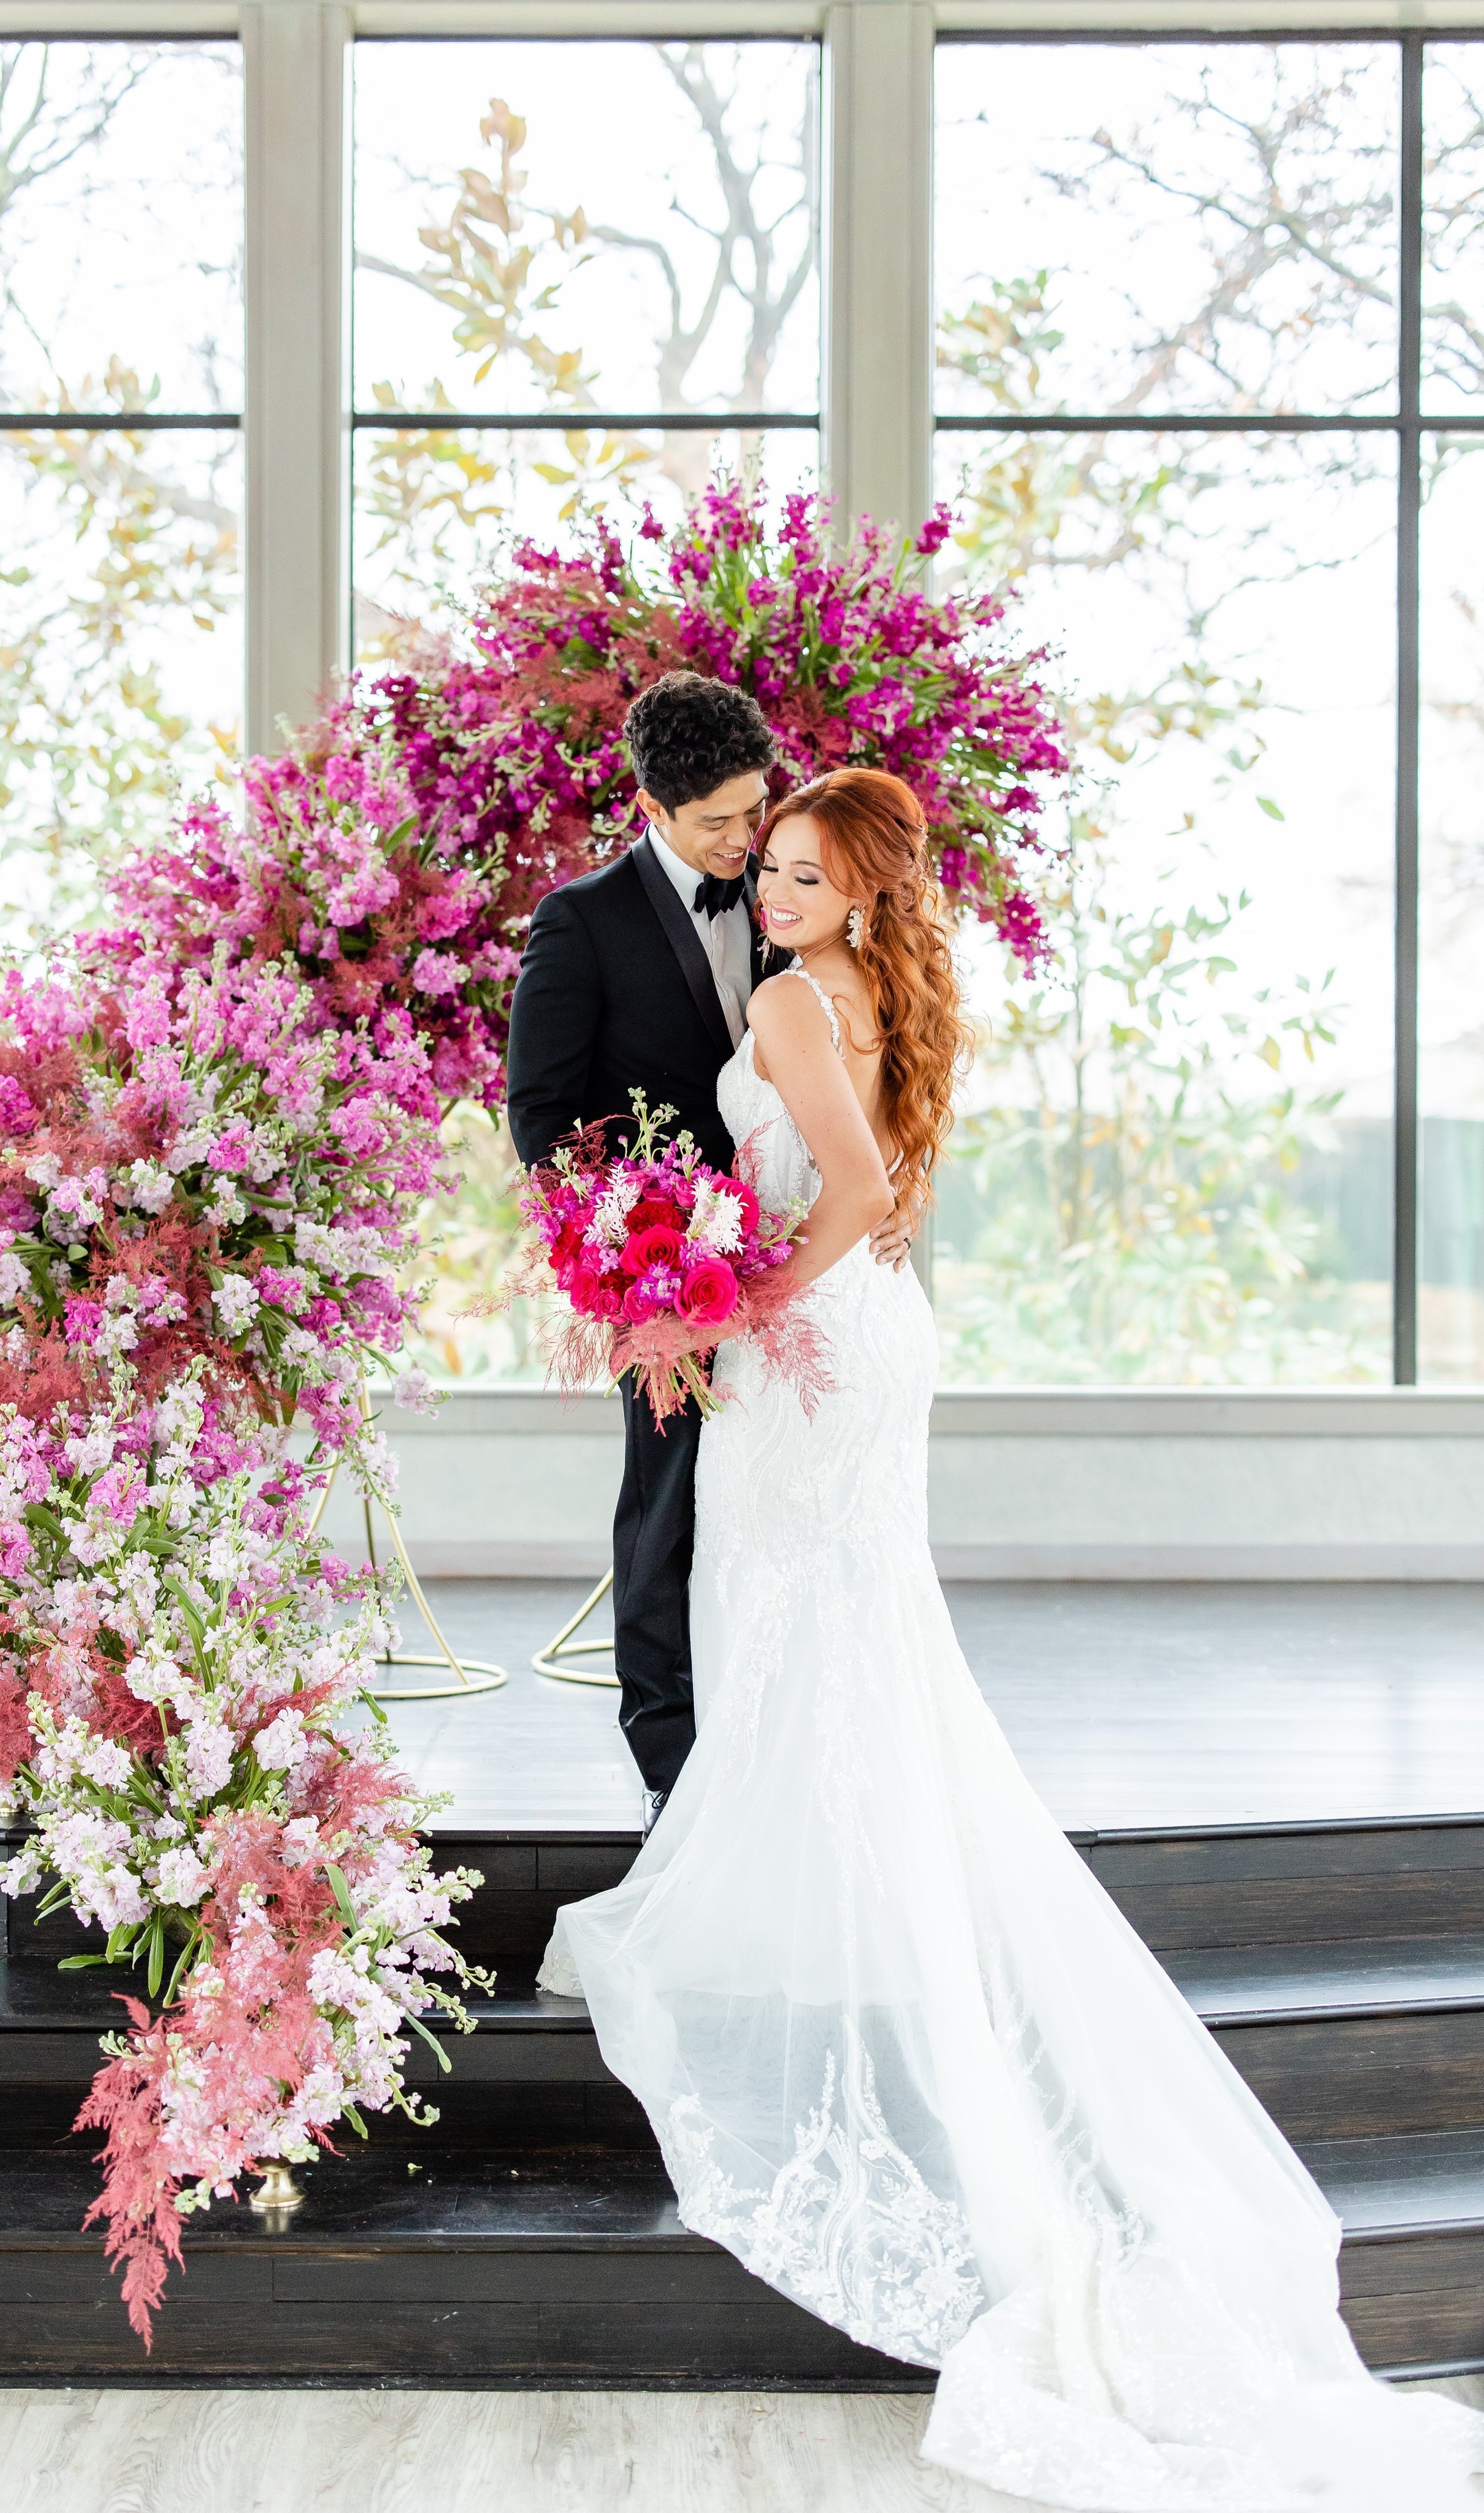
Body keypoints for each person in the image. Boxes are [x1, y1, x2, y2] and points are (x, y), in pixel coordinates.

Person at [538, 767, 1484, 2512]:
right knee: (841, 1643)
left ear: (858, 889)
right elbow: (884, 1182)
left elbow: (842, 1183)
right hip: (866, 1334)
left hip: (808, 1352)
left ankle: (792, 1901)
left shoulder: (785, 997)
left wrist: (724, 1305)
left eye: (813, 873)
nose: (787, 888)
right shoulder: (882, 991)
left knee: (796, 1627)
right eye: (782, 868)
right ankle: (825, 1879)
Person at [505, 672, 911, 1830]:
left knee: (767, 1515)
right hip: (664, 1276)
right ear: (653, 806)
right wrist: (624, 1254)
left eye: (757, 808)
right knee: (666, 1505)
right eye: (722, 823)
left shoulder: (794, 909)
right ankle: (669, 1761)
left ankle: (782, 1744)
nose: (748, 839)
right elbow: (539, 1115)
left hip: (794, 1266)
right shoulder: (582, 921)